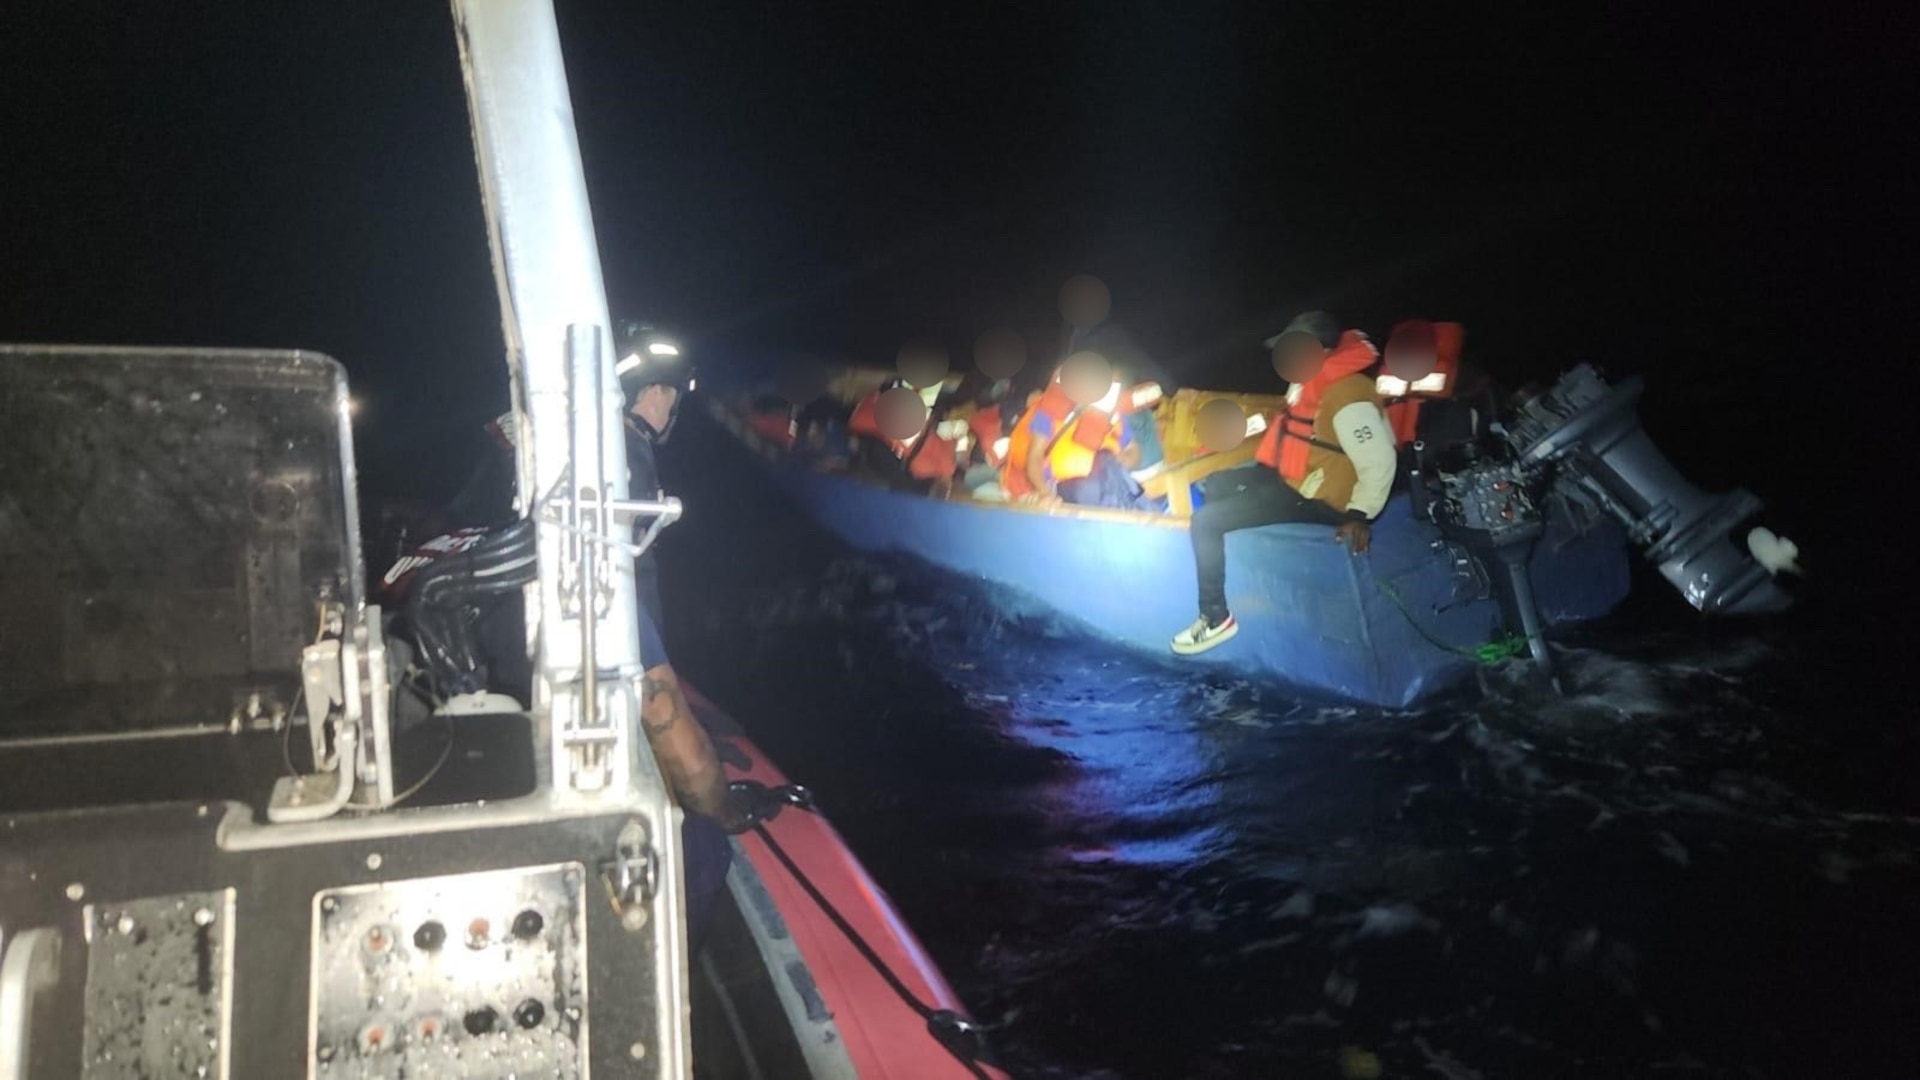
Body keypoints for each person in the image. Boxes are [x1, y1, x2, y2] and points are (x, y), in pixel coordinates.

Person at [1170, 311, 1397, 655]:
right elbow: (1293, 427)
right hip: (1299, 480)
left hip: (1323, 501)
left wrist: (1360, 515)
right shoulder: (1308, 383)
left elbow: (1380, 460)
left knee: (1206, 521)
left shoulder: (1346, 395)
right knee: (1216, 483)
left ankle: (1215, 618)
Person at [1002, 352, 1156, 510]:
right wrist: (1046, 492)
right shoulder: (1050, 410)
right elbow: (1034, 458)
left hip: (1099, 490)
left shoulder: (1111, 412)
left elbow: (1134, 451)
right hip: (1048, 488)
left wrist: (1118, 463)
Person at [616, 319, 692, 631]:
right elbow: (622, 560)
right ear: (655, 392)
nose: (675, 407)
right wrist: (651, 658)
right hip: (625, 636)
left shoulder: (606, 444)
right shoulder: (628, 453)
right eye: (674, 394)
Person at [1059, 274, 1177, 469]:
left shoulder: (1076, 342)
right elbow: (1146, 366)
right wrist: (1172, 388)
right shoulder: (1108, 336)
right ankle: (1147, 468)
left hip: (1101, 422)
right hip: (1119, 418)